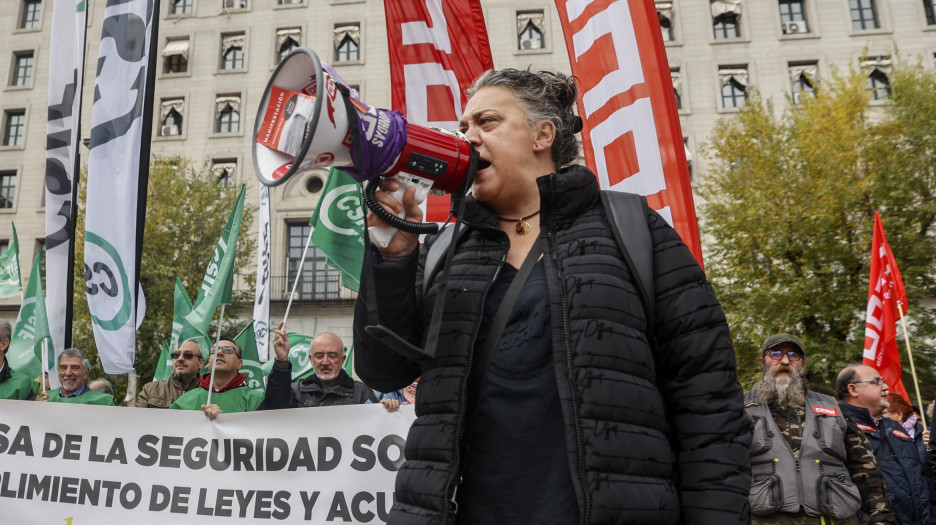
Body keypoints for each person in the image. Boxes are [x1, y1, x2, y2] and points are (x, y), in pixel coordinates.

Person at [353, 68, 751, 524]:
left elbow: (708, 402)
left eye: (487, 123)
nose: (467, 139)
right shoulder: (447, 248)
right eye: (463, 128)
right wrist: (392, 257)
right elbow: (383, 369)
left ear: (543, 134)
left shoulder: (633, 230)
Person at [744, 335, 894, 525]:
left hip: (833, 518)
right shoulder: (740, 407)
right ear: (762, 361)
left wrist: (881, 518)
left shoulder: (834, 408)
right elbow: (724, 469)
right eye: (775, 354)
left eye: (793, 355)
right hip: (763, 519)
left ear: (803, 363)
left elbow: (864, 467)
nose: (784, 361)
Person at [837, 363, 928, 525]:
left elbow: (919, 477)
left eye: (884, 381)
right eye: (876, 382)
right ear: (853, 389)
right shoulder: (837, 426)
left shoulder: (894, 426)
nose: (886, 387)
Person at [261, 326, 397, 411]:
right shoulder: (295, 391)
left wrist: (384, 408)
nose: (325, 362)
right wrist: (282, 360)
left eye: (332, 356)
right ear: (311, 360)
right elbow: (275, 406)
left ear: (342, 360)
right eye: (319, 356)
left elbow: (375, 426)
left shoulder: (361, 393)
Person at [168, 338, 264, 419]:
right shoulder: (185, 400)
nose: (219, 352)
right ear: (208, 361)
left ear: (239, 364)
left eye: (228, 350)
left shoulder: (256, 399)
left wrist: (222, 420)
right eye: (214, 350)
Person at [134, 339, 204, 408]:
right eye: (176, 355)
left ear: (201, 363)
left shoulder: (209, 394)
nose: (180, 358)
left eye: (188, 355)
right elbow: (138, 418)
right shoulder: (150, 390)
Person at [40, 348, 113, 406]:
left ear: (86, 373)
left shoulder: (104, 402)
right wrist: (37, 408)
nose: (68, 373)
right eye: (63, 368)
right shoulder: (45, 398)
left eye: (75, 368)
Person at [882, 393, 929, 459]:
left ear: (899, 414)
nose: (878, 417)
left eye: (882, 413)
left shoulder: (928, 434)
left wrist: (932, 447)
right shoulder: (877, 434)